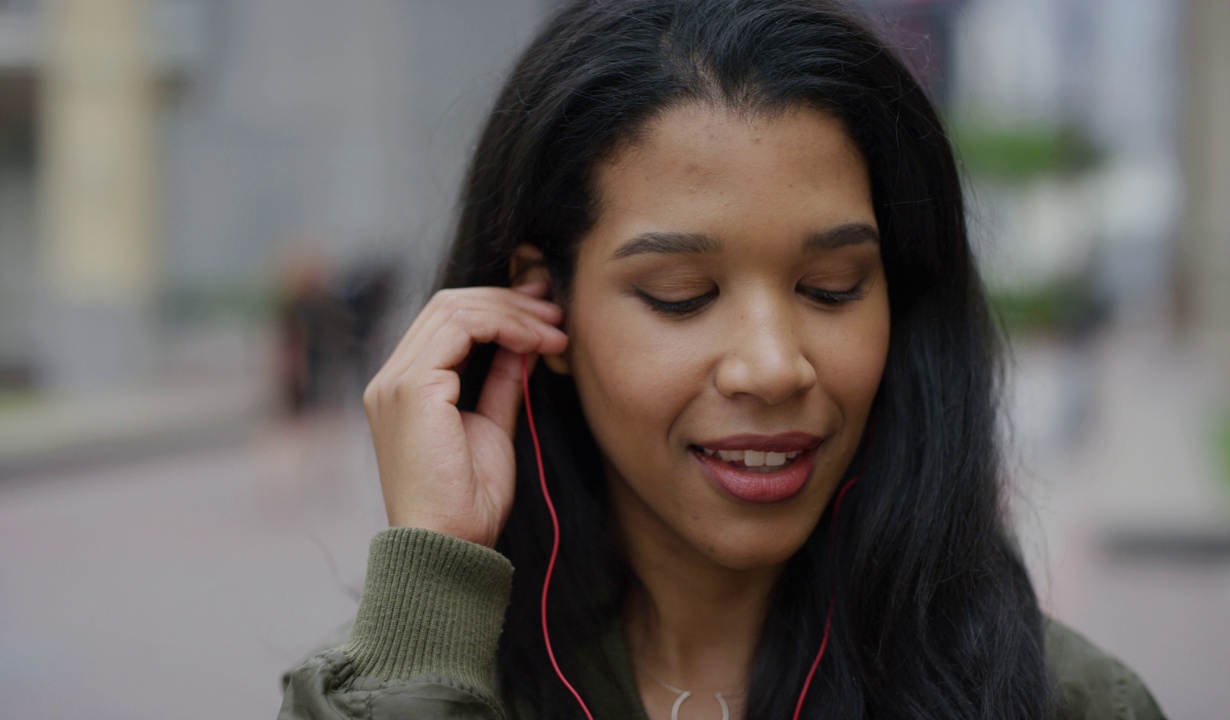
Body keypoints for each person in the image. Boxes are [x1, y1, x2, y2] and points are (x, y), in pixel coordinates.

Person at [278, 1, 1166, 718]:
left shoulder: (1067, 702)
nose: (774, 368)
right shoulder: (408, 685)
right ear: (543, 310)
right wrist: (431, 576)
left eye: (831, 288)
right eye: (680, 296)